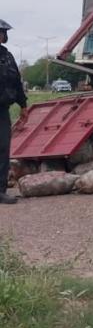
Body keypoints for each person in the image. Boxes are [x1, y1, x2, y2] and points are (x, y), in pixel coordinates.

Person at [0, 19, 28, 204]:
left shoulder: (7, 56)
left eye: (3, 32)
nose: (2, 35)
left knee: (2, 148)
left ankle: (0, 190)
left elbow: (16, 82)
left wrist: (23, 105)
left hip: (2, 110)